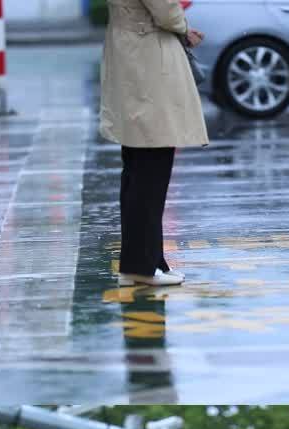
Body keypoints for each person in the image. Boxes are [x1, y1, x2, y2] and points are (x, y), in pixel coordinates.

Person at [100, 0, 209, 287]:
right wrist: (184, 27)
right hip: (147, 56)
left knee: (140, 166)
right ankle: (141, 266)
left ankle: (146, 261)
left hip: (135, 52)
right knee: (150, 167)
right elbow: (164, 10)